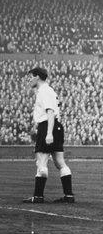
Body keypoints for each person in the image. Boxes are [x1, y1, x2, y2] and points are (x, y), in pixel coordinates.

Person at [22, 67, 74, 203]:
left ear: (37, 77)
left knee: (42, 161)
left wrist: (48, 133)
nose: (29, 79)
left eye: (31, 76)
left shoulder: (44, 92)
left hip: (48, 126)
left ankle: (38, 196)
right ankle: (69, 195)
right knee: (59, 162)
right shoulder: (48, 90)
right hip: (56, 126)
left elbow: (50, 112)